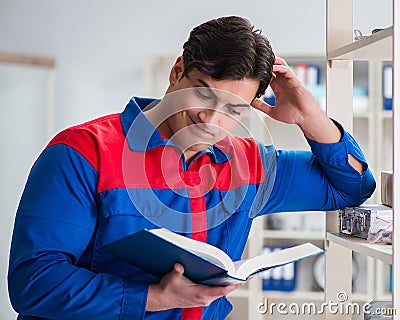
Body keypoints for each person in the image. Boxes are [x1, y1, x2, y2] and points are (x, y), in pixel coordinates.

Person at [8, 16, 375, 320]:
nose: (210, 120)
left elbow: (351, 186)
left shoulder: (248, 164)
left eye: (233, 110)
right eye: (203, 93)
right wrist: (154, 297)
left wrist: (310, 117)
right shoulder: (82, 153)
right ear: (177, 70)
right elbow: (33, 283)